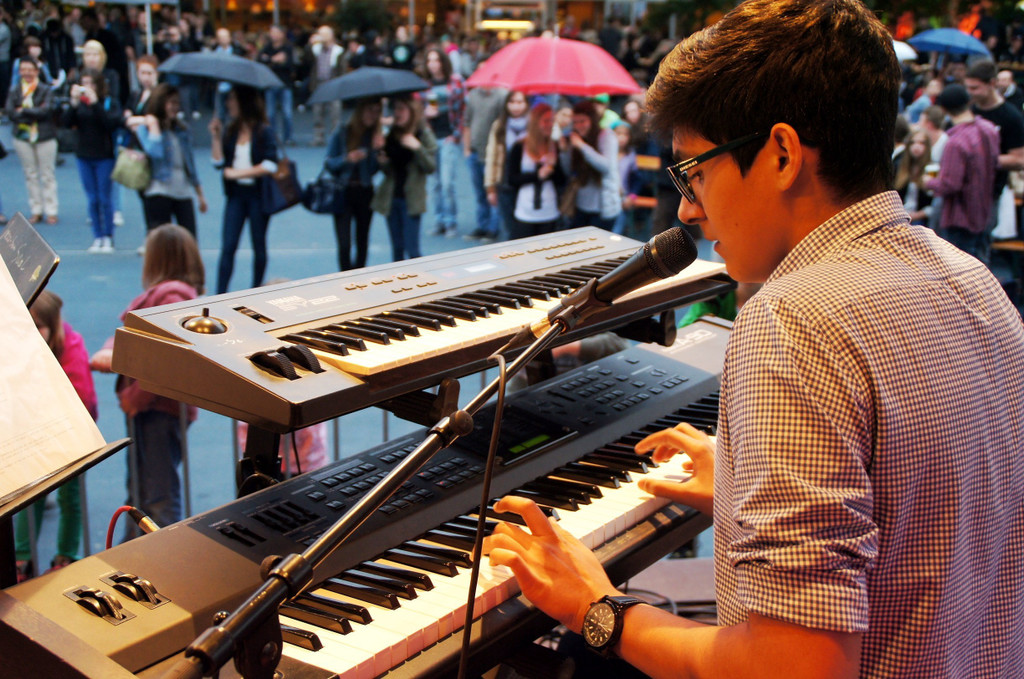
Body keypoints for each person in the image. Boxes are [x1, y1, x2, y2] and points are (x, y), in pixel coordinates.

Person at [484, 2, 1024, 679]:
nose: (688, 208)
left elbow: (792, 667)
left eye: (695, 170)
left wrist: (597, 607)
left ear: (782, 154)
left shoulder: (796, 320)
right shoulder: (970, 279)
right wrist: (746, 490)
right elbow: (930, 515)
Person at [90, 224, 204, 534]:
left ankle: (162, 559)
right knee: (142, 494)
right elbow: (134, 333)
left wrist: (135, 398)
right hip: (153, 407)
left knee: (157, 497)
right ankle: (133, 556)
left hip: (157, 408)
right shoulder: (172, 294)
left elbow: (167, 359)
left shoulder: (172, 296)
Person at [15, 291, 97, 580]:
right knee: (30, 497)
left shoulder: (70, 347)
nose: (32, 332)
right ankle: (22, 557)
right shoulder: (21, 348)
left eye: (38, 326)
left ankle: (66, 555)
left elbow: (82, 397)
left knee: (69, 497)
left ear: (51, 325)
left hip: (71, 435)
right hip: (35, 433)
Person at [209, 86, 278, 294]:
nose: (228, 104)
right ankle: (220, 293)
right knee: (228, 246)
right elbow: (218, 163)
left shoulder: (264, 131)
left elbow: (271, 165)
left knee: (259, 245)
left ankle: (255, 290)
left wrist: (238, 174)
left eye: (232, 99)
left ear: (243, 102)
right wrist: (215, 136)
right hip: (236, 196)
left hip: (258, 196)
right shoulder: (231, 131)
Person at [926, 84, 1000, 262]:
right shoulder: (989, 129)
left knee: (957, 269)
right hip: (984, 211)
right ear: (968, 102)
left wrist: (927, 181)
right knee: (981, 265)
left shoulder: (956, 142)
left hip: (960, 218)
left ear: (943, 109)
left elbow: (950, 184)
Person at [127, 83, 207, 238]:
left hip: (183, 191)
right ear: (161, 103)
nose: (175, 107)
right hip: (158, 190)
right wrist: (154, 127)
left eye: (177, 103)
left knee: (190, 240)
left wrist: (200, 194)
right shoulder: (145, 129)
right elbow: (155, 152)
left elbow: (190, 164)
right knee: (160, 243)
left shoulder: (183, 130)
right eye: (171, 103)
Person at [63, 68, 122, 253]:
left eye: (91, 83)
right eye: (84, 83)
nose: (87, 87)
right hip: (84, 156)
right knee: (92, 199)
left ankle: (108, 236)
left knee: (105, 197)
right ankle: (97, 236)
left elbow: (110, 124)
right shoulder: (79, 104)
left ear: (98, 85)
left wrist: (95, 103)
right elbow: (66, 123)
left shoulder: (109, 102)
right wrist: (73, 104)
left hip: (104, 156)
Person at [371, 96, 437, 261]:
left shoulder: (423, 134)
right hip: (392, 197)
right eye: (395, 109)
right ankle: (399, 278)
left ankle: (420, 277)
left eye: (401, 109)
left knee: (412, 250)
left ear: (411, 111)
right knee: (397, 249)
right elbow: (388, 171)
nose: (397, 113)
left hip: (411, 199)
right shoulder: (391, 135)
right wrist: (382, 159)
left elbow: (430, 167)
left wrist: (417, 147)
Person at [324, 98, 384, 270]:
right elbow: (329, 163)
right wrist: (347, 159)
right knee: (344, 244)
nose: (373, 115)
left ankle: (359, 275)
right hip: (343, 191)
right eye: (370, 110)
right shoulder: (343, 132)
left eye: (377, 111)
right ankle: (345, 276)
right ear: (361, 111)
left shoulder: (375, 136)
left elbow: (373, 170)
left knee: (362, 240)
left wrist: (377, 152)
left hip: (364, 191)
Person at [6, 57, 59, 225]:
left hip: (45, 137)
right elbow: (10, 112)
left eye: (30, 69)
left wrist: (23, 111)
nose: (27, 73)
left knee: (47, 174)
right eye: (23, 69)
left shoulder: (46, 89)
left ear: (37, 71)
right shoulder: (15, 90)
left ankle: (51, 210)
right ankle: (36, 210)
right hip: (22, 138)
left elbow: (46, 111)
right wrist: (33, 112)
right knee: (30, 174)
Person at [505, 101, 566, 240]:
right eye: (545, 121)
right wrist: (537, 175)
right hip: (525, 211)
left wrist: (554, 166)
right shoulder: (520, 146)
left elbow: (561, 181)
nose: (549, 125)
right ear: (535, 122)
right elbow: (512, 179)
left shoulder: (553, 146)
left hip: (549, 210)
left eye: (551, 121)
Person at [421, 47, 465, 238]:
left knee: (447, 183)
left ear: (443, 62)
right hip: (431, 137)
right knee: (434, 183)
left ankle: (451, 221)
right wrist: (425, 114)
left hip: (449, 136)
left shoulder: (455, 81)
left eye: (436, 60)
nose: (432, 64)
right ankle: (439, 220)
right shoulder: (425, 85)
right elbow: (418, 111)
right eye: (429, 60)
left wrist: (456, 134)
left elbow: (464, 110)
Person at [561, 100, 620, 230]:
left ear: (592, 120)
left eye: (582, 121)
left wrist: (582, 146)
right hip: (580, 205)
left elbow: (606, 167)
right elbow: (568, 170)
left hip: (603, 207)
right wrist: (564, 151)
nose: (578, 126)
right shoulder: (574, 139)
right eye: (575, 122)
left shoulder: (606, 136)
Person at [462, 81, 508, 242]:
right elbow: (467, 122)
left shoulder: (501, 96)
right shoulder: (473, 95)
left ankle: (493, 228)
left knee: (492, 191)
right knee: (479, 193)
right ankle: (482, 225)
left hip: (491, 152)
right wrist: (467, 148)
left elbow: (503, 124)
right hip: (475, 151)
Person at [484, 90, 529, 239]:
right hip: (505, 182)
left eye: (520, 102)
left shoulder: (533, 125)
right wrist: (490, 187)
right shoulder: (500, 125)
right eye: (512, 102)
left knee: (526, 228)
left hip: (526, 182)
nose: (516, 106)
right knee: (510, 228)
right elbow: (492, 156)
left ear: (526, 104)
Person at [306, 26, 344, 146]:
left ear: (331, 36)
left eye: (323, 34)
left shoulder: (338, 51)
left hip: (333, 84)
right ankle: (318, 138)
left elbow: (342, 69)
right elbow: (306, 60)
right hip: (319, 84)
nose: (321, 36)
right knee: (317, 113)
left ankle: (335, 138)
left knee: (335, 114)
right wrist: (309, 45)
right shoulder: (316, 49)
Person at [258, 25, 296, 146]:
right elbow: (260, 60)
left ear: (282, 34)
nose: (272, 35)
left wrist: (269, 60)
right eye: (271, 32)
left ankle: (288, 137)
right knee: (270, 114)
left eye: (275, 32)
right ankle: (272, 137)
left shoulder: (288, 47)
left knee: (287, 113)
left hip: (285, 84)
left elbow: (289, 65)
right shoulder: (267, 47)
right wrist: (274, 59)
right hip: (270, 84)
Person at [895, 128, 933, 226]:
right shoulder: (899, 165)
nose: (916, 146)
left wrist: (916, 215)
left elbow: (933, 205)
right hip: (899, 217)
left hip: (921, 220)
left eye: (921, 143)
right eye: (912, 143)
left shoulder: (932, 169)